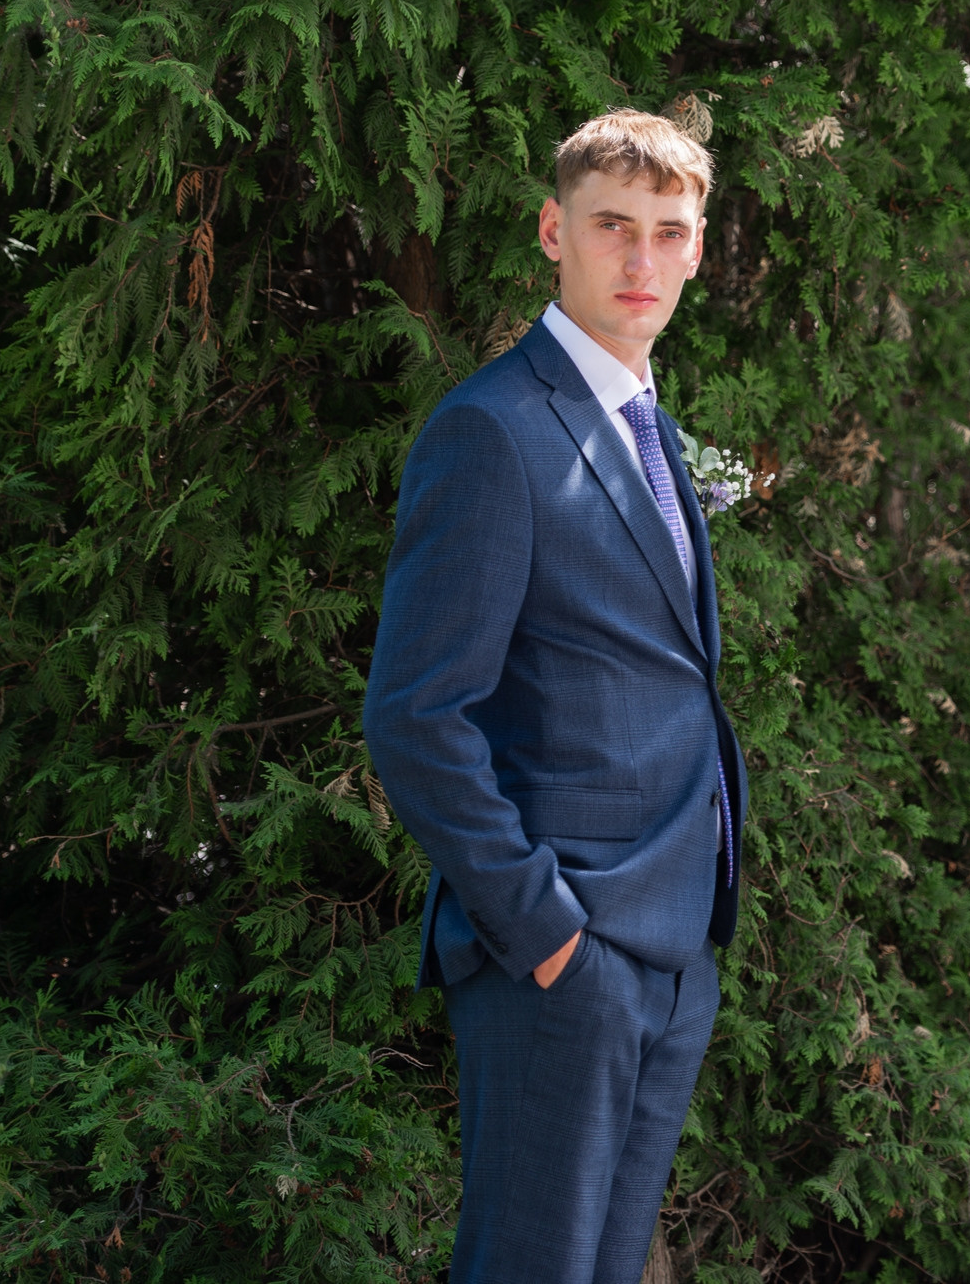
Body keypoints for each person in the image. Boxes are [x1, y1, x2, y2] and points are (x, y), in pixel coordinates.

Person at [363, 110, 744, 1284]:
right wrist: (547, 937)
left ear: (695, 250)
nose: (640, 260)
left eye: (667, 234)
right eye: (611, 227)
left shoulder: (646, 427)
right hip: (564, 955)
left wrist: (677, 947)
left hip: (672, 950)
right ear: (551, 231)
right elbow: (416, 715)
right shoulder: (491, 430)